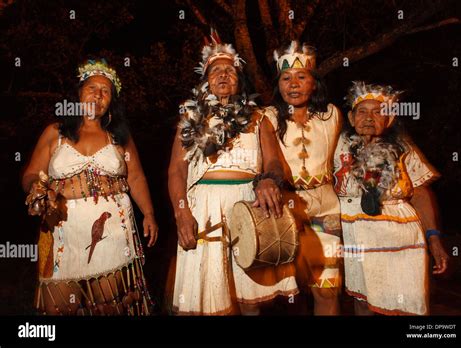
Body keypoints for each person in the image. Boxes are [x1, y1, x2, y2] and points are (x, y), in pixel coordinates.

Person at [168, 31, 298, 315]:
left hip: (249, 205)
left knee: (250, 300)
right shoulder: (189, 120)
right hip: (203, 210)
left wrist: (267, 180)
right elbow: (176, 170)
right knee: (210, 297)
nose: (224, 75)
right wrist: (181, 212)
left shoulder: (259, 118)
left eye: (230, 70)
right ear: (205, 81)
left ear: (240, 80)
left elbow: (275, 163)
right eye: (216, 70)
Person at [22, 59, 158, 315]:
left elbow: (136, 177)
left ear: (111, 102)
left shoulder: (118, 136)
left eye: (105, 90)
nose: (98, 94)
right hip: (62, 231)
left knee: (108, 306)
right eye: (91, 87)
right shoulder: (55, 132)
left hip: (113, 233)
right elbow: (30, 174)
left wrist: (149, 214)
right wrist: (38, 188)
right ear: (78, 94)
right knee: (60, 308)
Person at [333, 81, 449, 315]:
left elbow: (420, 192)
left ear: (390, 119)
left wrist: (434, 238)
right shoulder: (337, 146)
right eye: (362, 112)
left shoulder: (403, 148)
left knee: (407, 302)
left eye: (378, 112)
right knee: (363, 303)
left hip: (402, 240)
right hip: (357, 235)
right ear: (351, 117)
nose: (369, 118)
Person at [262, 41, 343, 315]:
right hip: (285, 209)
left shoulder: (332, 115)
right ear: (279, 84)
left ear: (314, 82)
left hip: (327, 210)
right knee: (288, 292)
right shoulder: (268, 117)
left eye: (301, 77)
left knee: (327, 285)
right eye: (286, 78)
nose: (293, 84)